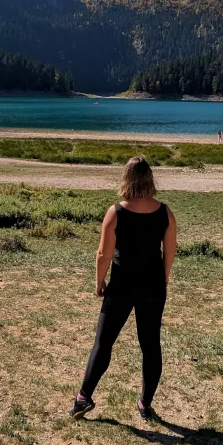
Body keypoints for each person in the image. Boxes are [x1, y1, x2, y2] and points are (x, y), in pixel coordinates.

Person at [70, 157, 177, 422]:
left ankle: (83, 398)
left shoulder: (115, 212)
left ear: (126, 179)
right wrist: (163, 278)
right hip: (152, 286)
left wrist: (99, 282)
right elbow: (170, 251)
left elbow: (103, 254)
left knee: (103, 343)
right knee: (150, 346)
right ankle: (145, 403)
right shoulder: (165, 212)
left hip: (122, 286)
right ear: (150, 179)